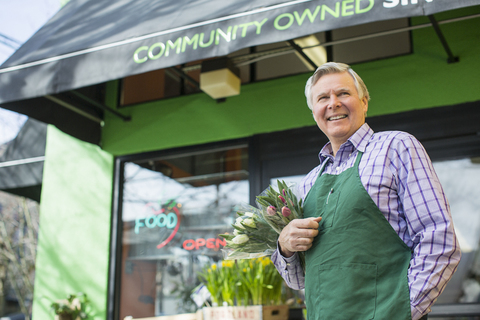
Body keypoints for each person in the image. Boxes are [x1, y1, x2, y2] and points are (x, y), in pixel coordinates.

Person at [271, 62, 461, 320]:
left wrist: (403, 311)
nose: (333, 103)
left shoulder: (396, 147)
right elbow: (300, 280)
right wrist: (285, 247)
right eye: (323, 98)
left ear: (364, 102)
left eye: (343, 93)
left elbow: (438, 238)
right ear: (314, 111)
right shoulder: (308, 183)